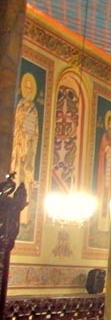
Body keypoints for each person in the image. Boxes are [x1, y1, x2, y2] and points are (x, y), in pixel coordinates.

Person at [11, 72, 39, 227]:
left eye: (30, 88)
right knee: (16, 172)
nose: (28, 90)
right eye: (26, 87)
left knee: (26, 176)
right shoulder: (19, 107)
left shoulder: (34, 111)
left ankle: (23, 217)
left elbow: (35, 132)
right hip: (18, 146)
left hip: (29, 148)